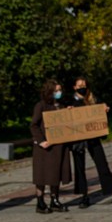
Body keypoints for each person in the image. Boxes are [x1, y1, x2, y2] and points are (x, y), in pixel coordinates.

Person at [68, 77, 112, 208]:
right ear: (74, 87)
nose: (82, 87)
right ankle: (84, 196)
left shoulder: (92, 99)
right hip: (78, 140)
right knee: (79, 168)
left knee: (102, 164)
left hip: (93, 137)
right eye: (79, 85)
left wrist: (104, 110)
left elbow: (101, 112)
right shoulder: (70, 101)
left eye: (84, 85)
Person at [30, 80, 72, 214]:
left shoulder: (61, 105)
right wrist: (41, 140)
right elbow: (34, 125)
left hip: (59, 145)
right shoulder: (41, 106)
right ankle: (40, 201)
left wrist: (69, 113)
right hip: (45, 147)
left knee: (56, 173)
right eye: (56, 90)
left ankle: (54, 199)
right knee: (42, 174)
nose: (58, 93)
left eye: (60, 90)